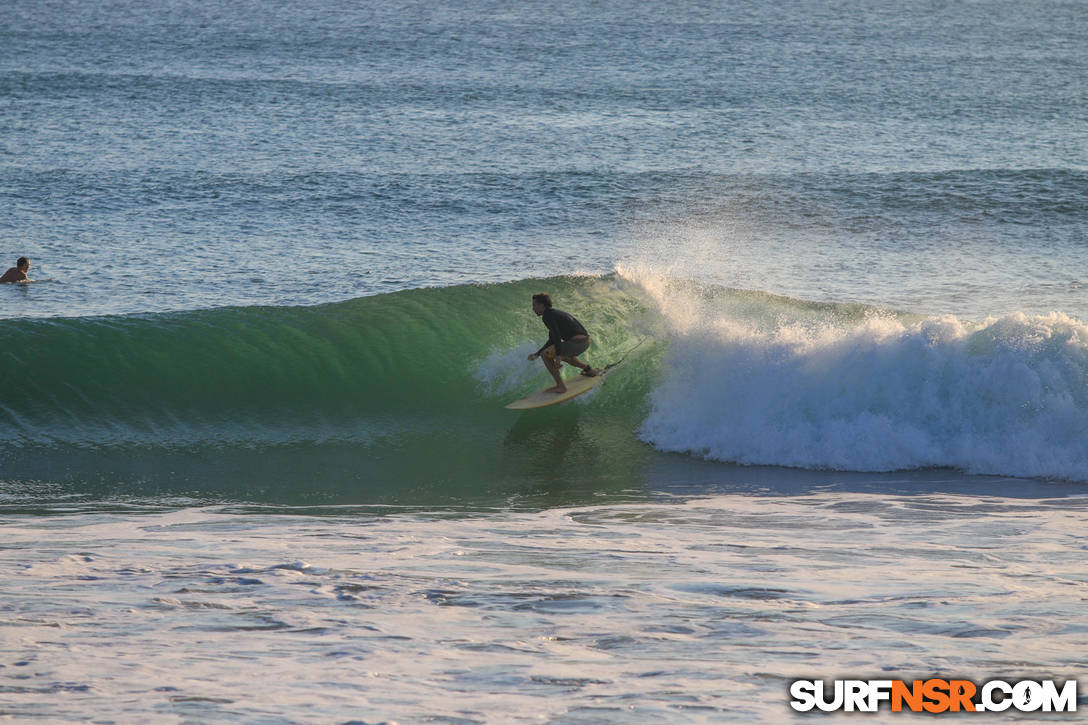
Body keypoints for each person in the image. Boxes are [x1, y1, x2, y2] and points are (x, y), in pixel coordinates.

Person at [527, 293, 598, 394]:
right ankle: (589, 370)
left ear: (542, 305)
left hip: (577, 343)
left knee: (545, 355)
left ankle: (561, 386)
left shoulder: (547, 316)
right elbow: (552, 339)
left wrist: (558, 356)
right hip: (583, 342)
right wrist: (537, 353)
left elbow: (556, 337)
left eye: (534, 305)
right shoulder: (553, 314)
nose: (533, 308)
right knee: (567, 357)